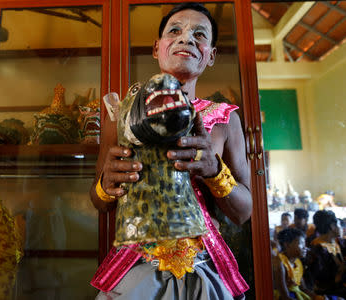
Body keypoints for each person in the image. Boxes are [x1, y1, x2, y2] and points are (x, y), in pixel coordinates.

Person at [89, 3, 252, 299]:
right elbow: (100, 204)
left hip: (204, 268)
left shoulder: (225, 120)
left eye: (199, 35)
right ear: (157, 48)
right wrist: (106, 185)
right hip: (135, 267)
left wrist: (214, 172)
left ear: (211, 55)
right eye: (174, 31)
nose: (186, 38)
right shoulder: (122, 115)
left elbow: (244, 212)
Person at [305, 210, 346, 299]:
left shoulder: (337, 242)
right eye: (339, 225)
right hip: (329, 291)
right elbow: (318, 278)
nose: (341, 228)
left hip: (342, 286)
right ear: (332, 226)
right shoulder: (318, 249)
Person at [272, 228, 323, 300]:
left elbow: (303, 288)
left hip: (297, 294)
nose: (305, 248)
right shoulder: (280, 263)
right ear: (287, 245)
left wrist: (317, 297)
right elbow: (285, 297)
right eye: (301, 243)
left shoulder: (298, 262)